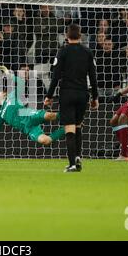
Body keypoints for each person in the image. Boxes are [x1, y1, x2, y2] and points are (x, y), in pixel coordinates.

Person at [44, 24, 99, 173]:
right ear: (80, 36)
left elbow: (55, 76)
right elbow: (93, 77)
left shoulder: (62, 52)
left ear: (67, 36)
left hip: (67, 93)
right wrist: (95, 97)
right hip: (82, 94)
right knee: (78, 125)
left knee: (69, 129)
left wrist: (49, 96)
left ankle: (72, 164)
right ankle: (78, 157)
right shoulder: (87, 52)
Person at [0, 73, 65, 146]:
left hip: (28, 115)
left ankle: (70, 116)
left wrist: (9, 75)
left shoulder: (11, 96)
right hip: (27, 128)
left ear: (4, 94)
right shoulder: (0, 114)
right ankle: (67, 128)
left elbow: (21, 82)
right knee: (45, 140)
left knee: (49, 115)